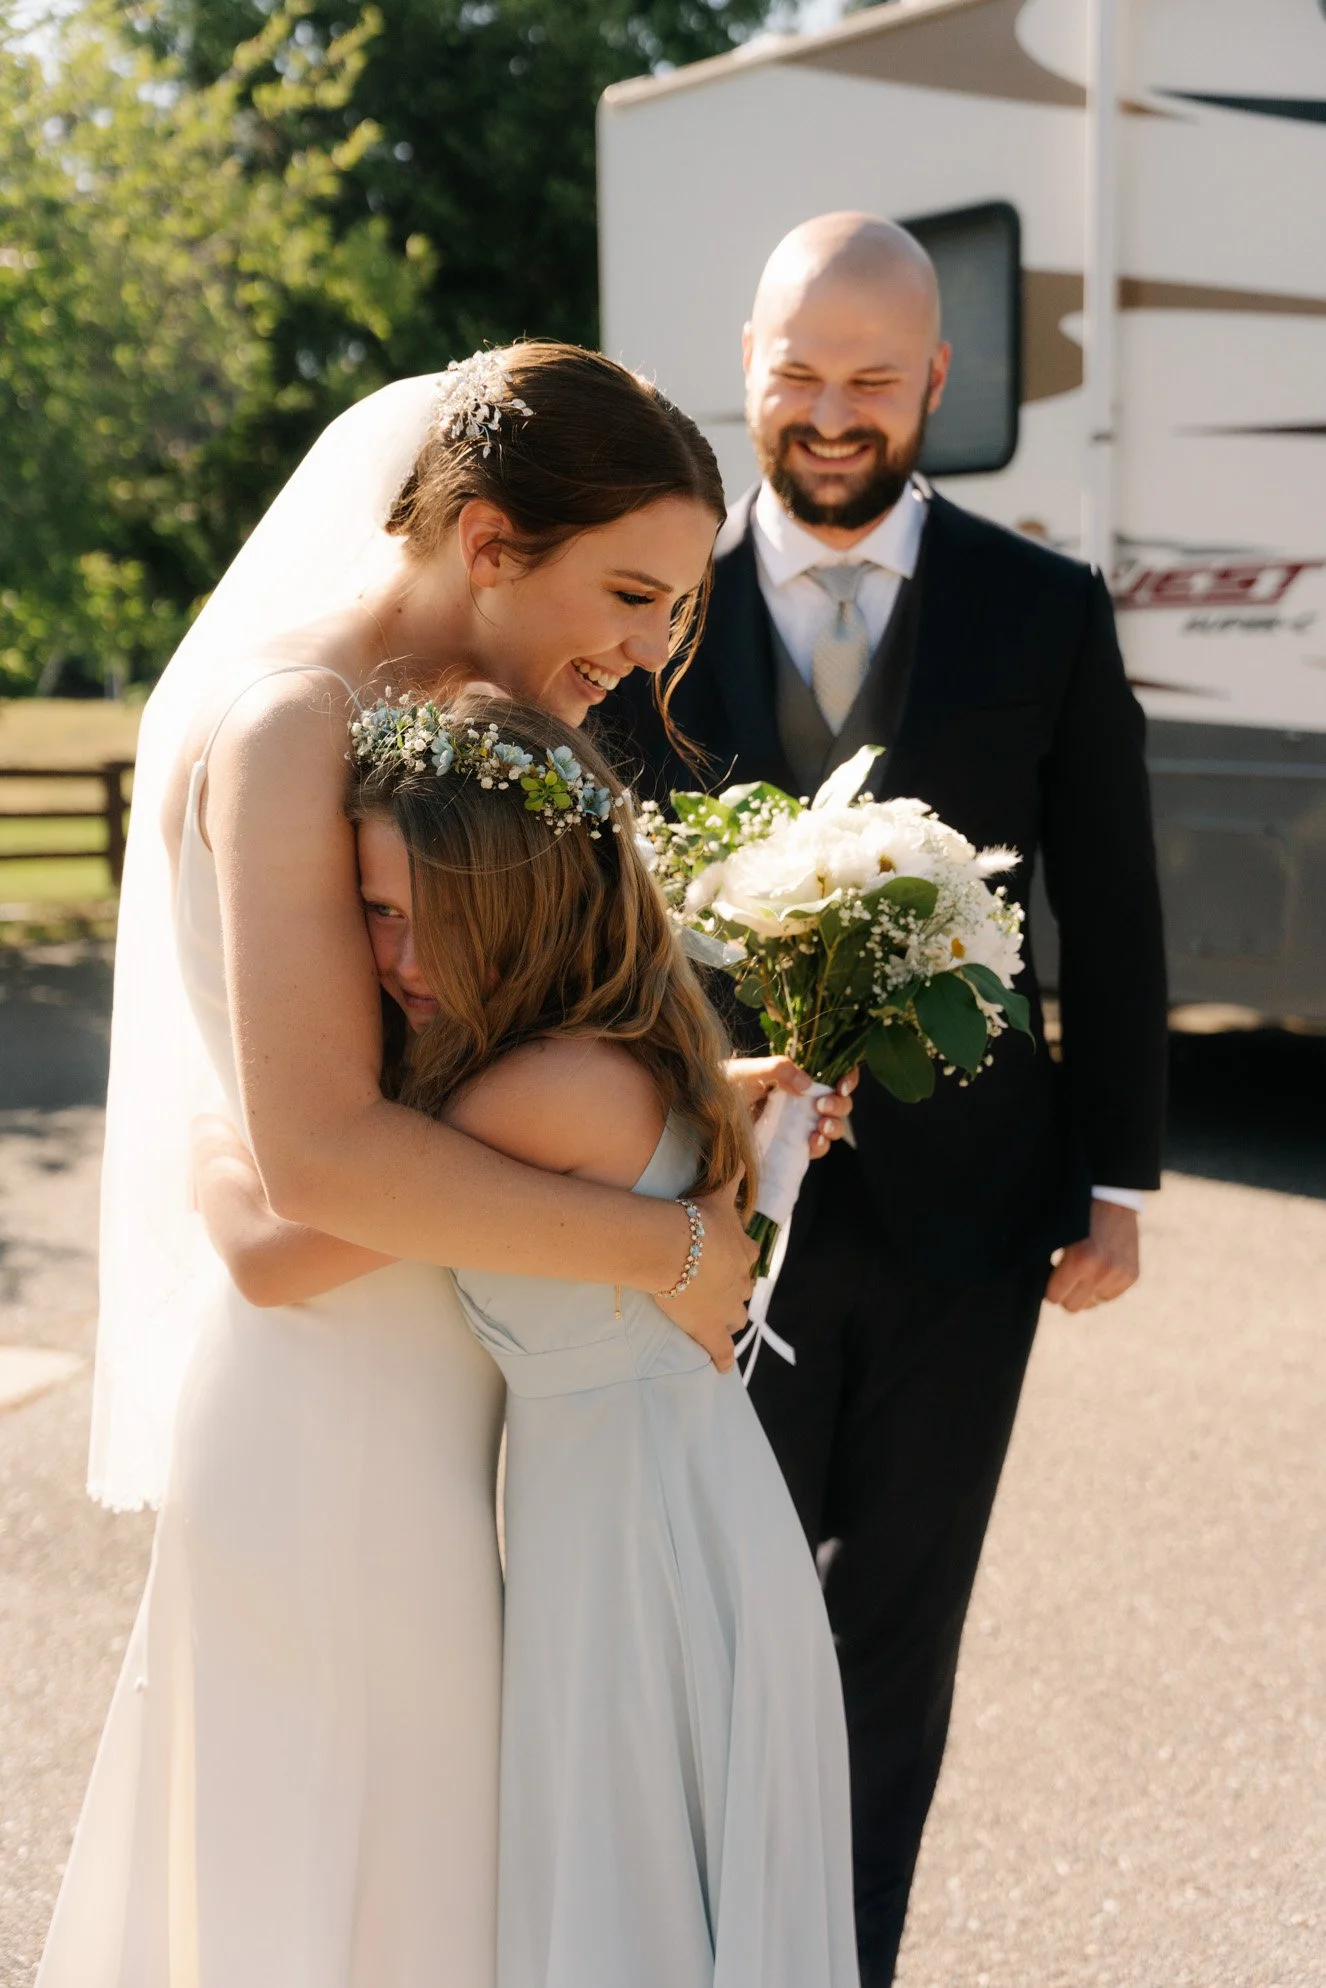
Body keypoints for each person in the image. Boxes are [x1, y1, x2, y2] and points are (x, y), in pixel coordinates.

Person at [39, 344, 852, 1987]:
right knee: (345, 1895)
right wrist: (670, 1254)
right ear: (486, 540)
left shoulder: (455, 725)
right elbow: (325, 1160)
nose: (645, 654)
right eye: (628, 595)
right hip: (336, 1416)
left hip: (472, 1387)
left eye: (676, 614)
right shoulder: (292, 724)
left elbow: (476, 1058)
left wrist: (682, 1104)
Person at [614, 216, 1169, 1985]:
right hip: (699, 1218)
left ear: (936, 380)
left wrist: (1122, 1178)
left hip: (966, 1227)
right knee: (714, 1622)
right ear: (751, 376)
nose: (833, 415)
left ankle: (840, 1960)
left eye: (872, 380)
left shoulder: (1043, 607)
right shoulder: (651, 600)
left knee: (894, 1638)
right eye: (799, 378)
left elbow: (1113, 893)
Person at [194, 695, 861, 1988]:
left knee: (622, 1907)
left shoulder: (524, 1091)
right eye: (372, 909)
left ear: (527, 898)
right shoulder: (637, 1050)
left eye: (423, 910)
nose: (391, 953)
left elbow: (273, 1257)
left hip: (634, 1554)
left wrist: (212, 1150)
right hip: (670, 1515)